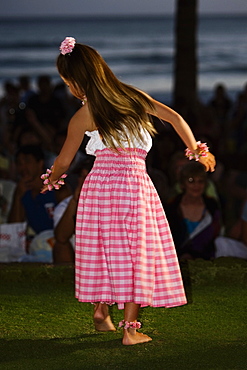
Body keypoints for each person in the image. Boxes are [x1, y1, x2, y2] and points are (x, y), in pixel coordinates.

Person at [41, 37, 216, 345]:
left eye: (69, 83)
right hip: (133, 184)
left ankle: (101, 312)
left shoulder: (83, 114)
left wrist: (51, 178)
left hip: (98, 187)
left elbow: (64, 160)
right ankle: (129, 330)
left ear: (79, 81)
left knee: (103, 246)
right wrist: (197, 151)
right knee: (135, 251)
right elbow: (174, 117)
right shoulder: (133, 97)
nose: (70, 90)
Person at [8, 145, 71, 262]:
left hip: (62, 242)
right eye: (19, 163)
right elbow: (14, 229)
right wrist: (17, 196)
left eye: (27, 161)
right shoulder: (23, 191)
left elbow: (72, 217)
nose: (23, 167)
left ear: (40, 163)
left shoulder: (57, 187)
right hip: (38, 244)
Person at [165, 162, 222, 260]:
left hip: (206, 261)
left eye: (201, 181)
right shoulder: (171, 207)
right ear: (182, 184)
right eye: (191, 181)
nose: (196, 185)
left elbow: (215, 237)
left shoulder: (212, 206)